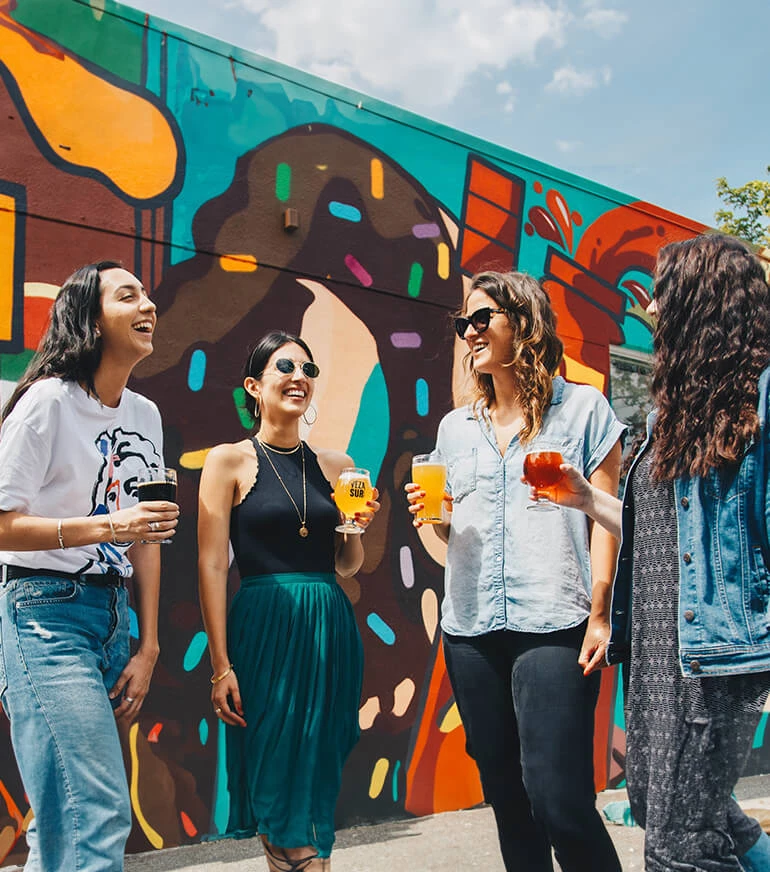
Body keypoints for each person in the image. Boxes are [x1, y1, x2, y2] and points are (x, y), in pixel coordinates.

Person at [540, 234, 770, 872]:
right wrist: (587, 499)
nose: (654, 309)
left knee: (679, 847)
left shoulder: (758, 399)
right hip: (654, 656)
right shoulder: (675, 414)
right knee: (676, 808)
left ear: (703, 302)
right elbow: (662, 538)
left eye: (666, 295)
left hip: (707, 657)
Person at [405, 270, 625, 872]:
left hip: (554, 624)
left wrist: (601, 614)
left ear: (522, 324)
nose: (469, 333)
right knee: (506, 798)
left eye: (482, 319)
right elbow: (454, 532)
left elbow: (610, 520)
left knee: (558, 798)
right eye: (463, 324)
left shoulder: (583, 408)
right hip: (471, 629)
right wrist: (435, 519)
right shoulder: (455, 428)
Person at [0, 261, 179, 870]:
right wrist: (108, 525)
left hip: (112, 618)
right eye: (128, 296)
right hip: (42, 616)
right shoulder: (47, 403)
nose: (148, 304)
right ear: (90, 318)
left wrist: (148, 646)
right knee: (99, 811)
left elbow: (148, 536)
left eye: (147, 294)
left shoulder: (146, 415)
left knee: (61, 820)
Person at [197, 331, 379, 872]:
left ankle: (303, 859)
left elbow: (347, 564)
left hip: (328, 629)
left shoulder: (337, 463)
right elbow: (210, 565)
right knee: (275, 766)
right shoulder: (227, 461)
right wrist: (219, 665)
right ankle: (306, 861)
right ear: (255, 385)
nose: (299, 375)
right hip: (263, 630)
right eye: (285, 366)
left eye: (308, 368)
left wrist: (356, 530)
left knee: (318, 764)